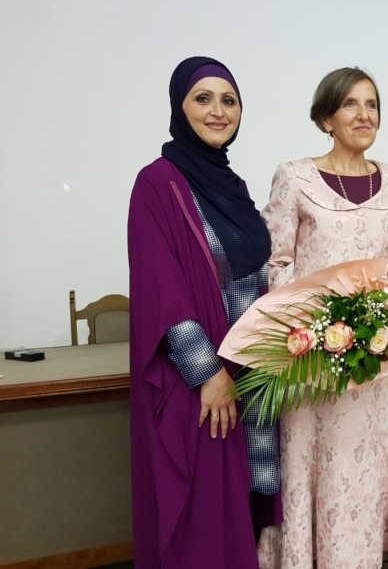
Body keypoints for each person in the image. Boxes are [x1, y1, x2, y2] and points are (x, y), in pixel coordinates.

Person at [256, 67, 388, 569]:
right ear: (326, 117)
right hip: (312, 358)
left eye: (371, 105)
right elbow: (277, 261)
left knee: (373, 466)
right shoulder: (294, 176)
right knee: (314, 465)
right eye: (350, 104)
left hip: (378, 361)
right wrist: (313, 323)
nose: (364, 114)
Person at [128, 56, 281, 569]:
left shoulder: (234, 188)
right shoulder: (158, 183)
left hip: (249, 371)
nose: (218, 111)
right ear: (179, 106)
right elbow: (163, 287)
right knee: (201, 512)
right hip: (198, 380)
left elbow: (259, 274)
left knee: (241, 503)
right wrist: (207, 373)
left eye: (229, 100)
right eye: (203, 98)